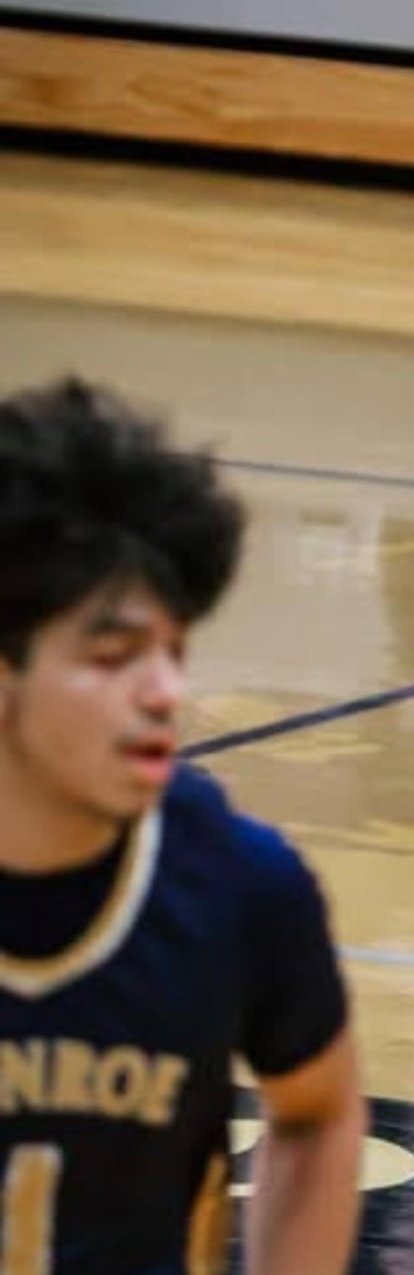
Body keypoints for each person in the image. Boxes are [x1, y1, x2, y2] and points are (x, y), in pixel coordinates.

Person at [0, 379, 365, 1270]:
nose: (166, 692)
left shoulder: (244, 887)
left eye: (174, 651)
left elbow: (318, 1114)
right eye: (115, 656)